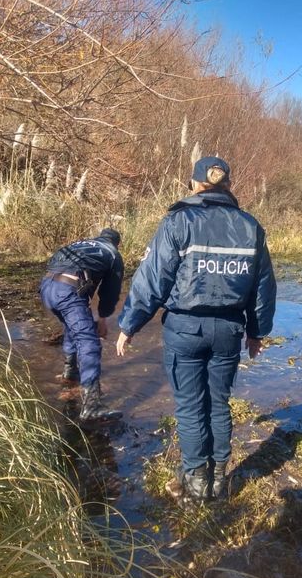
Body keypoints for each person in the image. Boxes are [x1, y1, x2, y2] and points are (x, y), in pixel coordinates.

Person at [116, 156, 276, 501]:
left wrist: (130, 323)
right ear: (228, 186)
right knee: (218, 404)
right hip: (229, 330)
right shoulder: (250, 226)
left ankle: (196, 480)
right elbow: (263, 286)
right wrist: (256, 332)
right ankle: (218, 478)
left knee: (190, 407)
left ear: (194, 185)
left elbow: (153, 278)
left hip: (185, 329)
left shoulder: (178, 221)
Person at [40, 228, 124, 423]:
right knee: (89, 342)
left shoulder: (79, 244)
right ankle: (91, 405)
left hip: (46, 288)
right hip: (67, 291)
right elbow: (110, 292)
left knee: (73, 328)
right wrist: (103, 319)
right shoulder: (112, 253)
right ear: (117, 243)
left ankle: (70, 372)